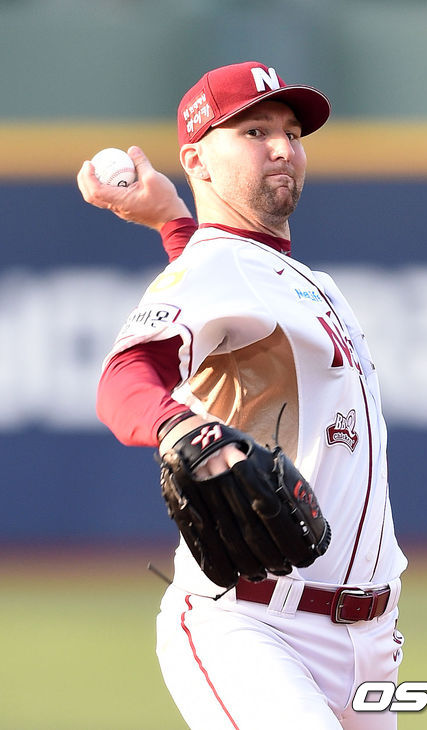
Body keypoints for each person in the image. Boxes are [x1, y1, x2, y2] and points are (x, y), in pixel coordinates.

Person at [78, 61, 407, 730]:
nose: (282, 147)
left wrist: (174, 220)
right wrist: (180, 428)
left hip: (370, 642)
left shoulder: (292, 277)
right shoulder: (217, 265)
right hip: (254, 629)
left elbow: (222, 278)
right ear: (196, 160)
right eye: (254, 131)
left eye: (292, 132)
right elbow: (123, 378)